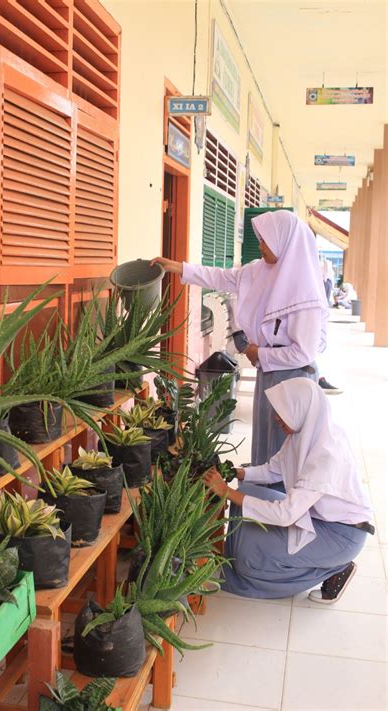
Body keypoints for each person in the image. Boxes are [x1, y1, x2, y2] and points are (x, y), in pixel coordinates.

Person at [152, 210, 329, 466]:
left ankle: (280, 504)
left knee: (286, 453)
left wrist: (261, 354)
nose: (260, 247)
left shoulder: (306, 295)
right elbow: (223, 278)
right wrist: (179, 268)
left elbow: (304, 353)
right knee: (265, 446)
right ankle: (263, 496)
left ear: (283, 240)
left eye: (265, 240)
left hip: (294, 379)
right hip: (269, 373)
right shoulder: (262, 271)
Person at [203, 378, 374, 602]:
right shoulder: (307, 433)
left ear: (301, 409)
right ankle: (242, 557)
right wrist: (234, 473)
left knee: (251, 553)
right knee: (248, 494)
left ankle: (334, 568)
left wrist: (226, 491)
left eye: (283, 411)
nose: (276, 417)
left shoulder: (326, 455)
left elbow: (286, 515)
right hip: (316, 516)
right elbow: (273, 471)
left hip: (341, 536)